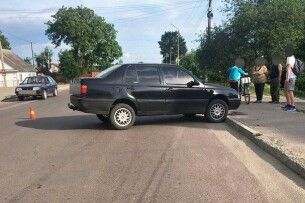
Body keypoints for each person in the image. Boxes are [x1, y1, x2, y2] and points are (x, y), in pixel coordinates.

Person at [283, 44, 297, 112]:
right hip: (290, 77)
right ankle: (289, 104)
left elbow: (289, 68)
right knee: (286, 91)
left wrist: (287, 78)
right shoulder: (291, 57)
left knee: (290, 91)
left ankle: (293, 106)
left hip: (290, 77)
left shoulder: (290, 57)